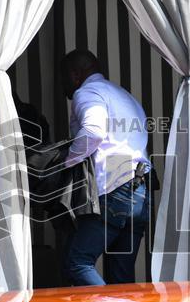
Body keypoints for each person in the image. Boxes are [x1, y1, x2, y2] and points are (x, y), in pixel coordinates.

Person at [60, 49, 151, 286]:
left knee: (77, 262)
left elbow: (92, 132)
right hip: (140, 191)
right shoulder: (124, 96)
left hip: (115, 188)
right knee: (121, 276)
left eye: (64, 77)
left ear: (75, 74)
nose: (63, 87)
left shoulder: (88, 92)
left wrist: (67, 161)